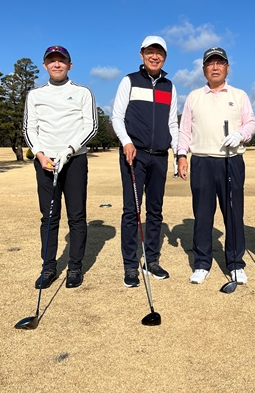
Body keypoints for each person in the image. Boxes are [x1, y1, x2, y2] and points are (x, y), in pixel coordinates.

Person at [177, 47, 255, 285]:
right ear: (204, 69)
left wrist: (240, 134)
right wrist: (181, 156)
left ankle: (236, 264)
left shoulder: (239, 95)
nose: (215, 67)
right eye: (210, 63)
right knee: (202, 215)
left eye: (219, 63)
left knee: (233, 214)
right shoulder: (193, 97)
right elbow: (185, 130)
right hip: (202, 161)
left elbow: (252, 123)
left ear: (227, 68)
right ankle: (202, 263)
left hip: (231, 160)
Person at [23, 45, 98, 289]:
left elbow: (91, 126)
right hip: (45, 161)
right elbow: (29, 128)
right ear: (45, 65)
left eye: (61, 60)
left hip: (74, 160)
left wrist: (70, 149)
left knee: (77, 216)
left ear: (70, 65)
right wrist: (39, 154)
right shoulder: (35, 95)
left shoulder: (82, 92)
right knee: (49, 217)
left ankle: (75, 267)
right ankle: (48, 268)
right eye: (52, 61)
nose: (57, 64)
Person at [112, 36, 179, 288]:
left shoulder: (169, 86)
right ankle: (130, 264)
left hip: (160, 156)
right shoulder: (129, 81)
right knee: (132, 210)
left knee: (155, 211)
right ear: (142, 54)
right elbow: (117, 117)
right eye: (150, 51)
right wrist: (126, 142)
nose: (154, 56)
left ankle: (151, 260)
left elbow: (172, 123)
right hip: (134, 155)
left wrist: (179, 153)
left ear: (165, 57)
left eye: (159, 52)